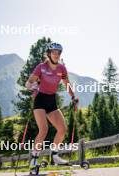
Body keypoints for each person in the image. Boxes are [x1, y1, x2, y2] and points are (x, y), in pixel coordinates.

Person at [25, 42, 77, 173]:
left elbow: (67, 84)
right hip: (40, 100)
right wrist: (31, 85)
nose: (56, 54)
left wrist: (73, 97)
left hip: (51, 101)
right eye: (54, 52)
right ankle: (34, 158)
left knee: (62, 129)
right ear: (49, 53)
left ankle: (54, 156)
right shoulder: (41, 67)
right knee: (44, 130)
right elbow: (29, 81)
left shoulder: (61, 69)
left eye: (58, 52)